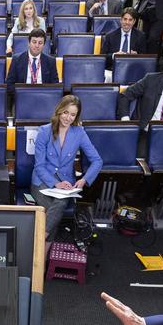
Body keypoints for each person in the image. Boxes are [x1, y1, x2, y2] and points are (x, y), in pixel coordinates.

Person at [32, 95, 103, 253]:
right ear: (59, 111)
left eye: (73, 115)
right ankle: (40, 258)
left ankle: (37, 243)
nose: (68, 118)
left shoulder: (79, 132)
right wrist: (55, 183)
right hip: (41, 181)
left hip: (67, 183)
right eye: (65, 112)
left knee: (59, 204)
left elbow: (97, 161)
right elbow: (39, 166)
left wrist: (84, 179)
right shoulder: (44, 131)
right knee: (57, 208)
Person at [6, 29, 59, 101]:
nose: (37, 45)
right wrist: (21, 96)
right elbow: (9, 84)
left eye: (40, 43)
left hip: (43, 99)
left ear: (44, 45)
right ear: (29, 43)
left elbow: (55, 85)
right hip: (22, 98)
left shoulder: (51, 61)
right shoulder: (17, 59)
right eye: (34, 42)